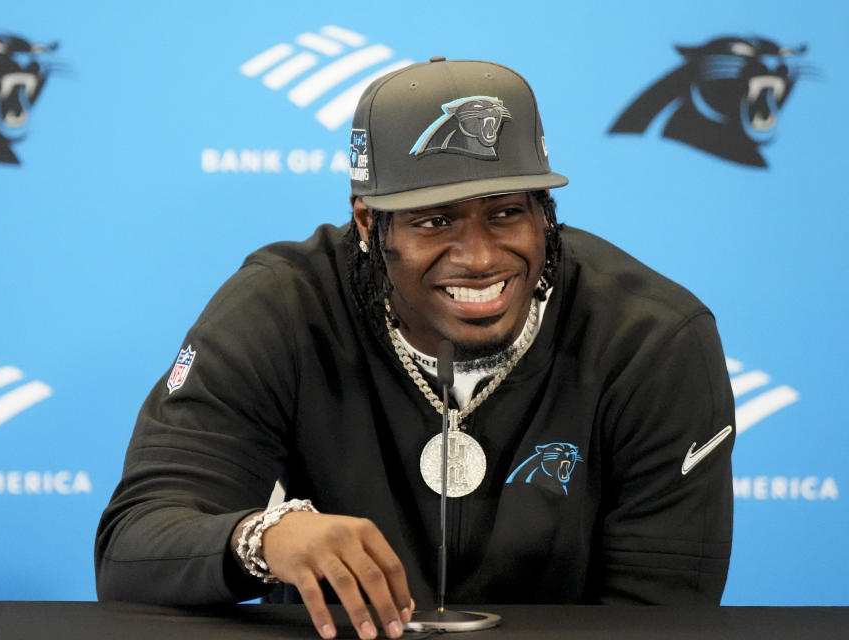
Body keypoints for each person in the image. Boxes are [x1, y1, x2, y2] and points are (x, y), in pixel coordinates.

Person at [95, 58, 735, 640]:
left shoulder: (651, 337)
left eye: (507, 212)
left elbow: (662, 610)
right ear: (369, 222)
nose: (480, 258)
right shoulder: (282, 309)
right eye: (434, 220)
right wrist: (263, 538)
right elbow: (135, 543)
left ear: (547, 213)